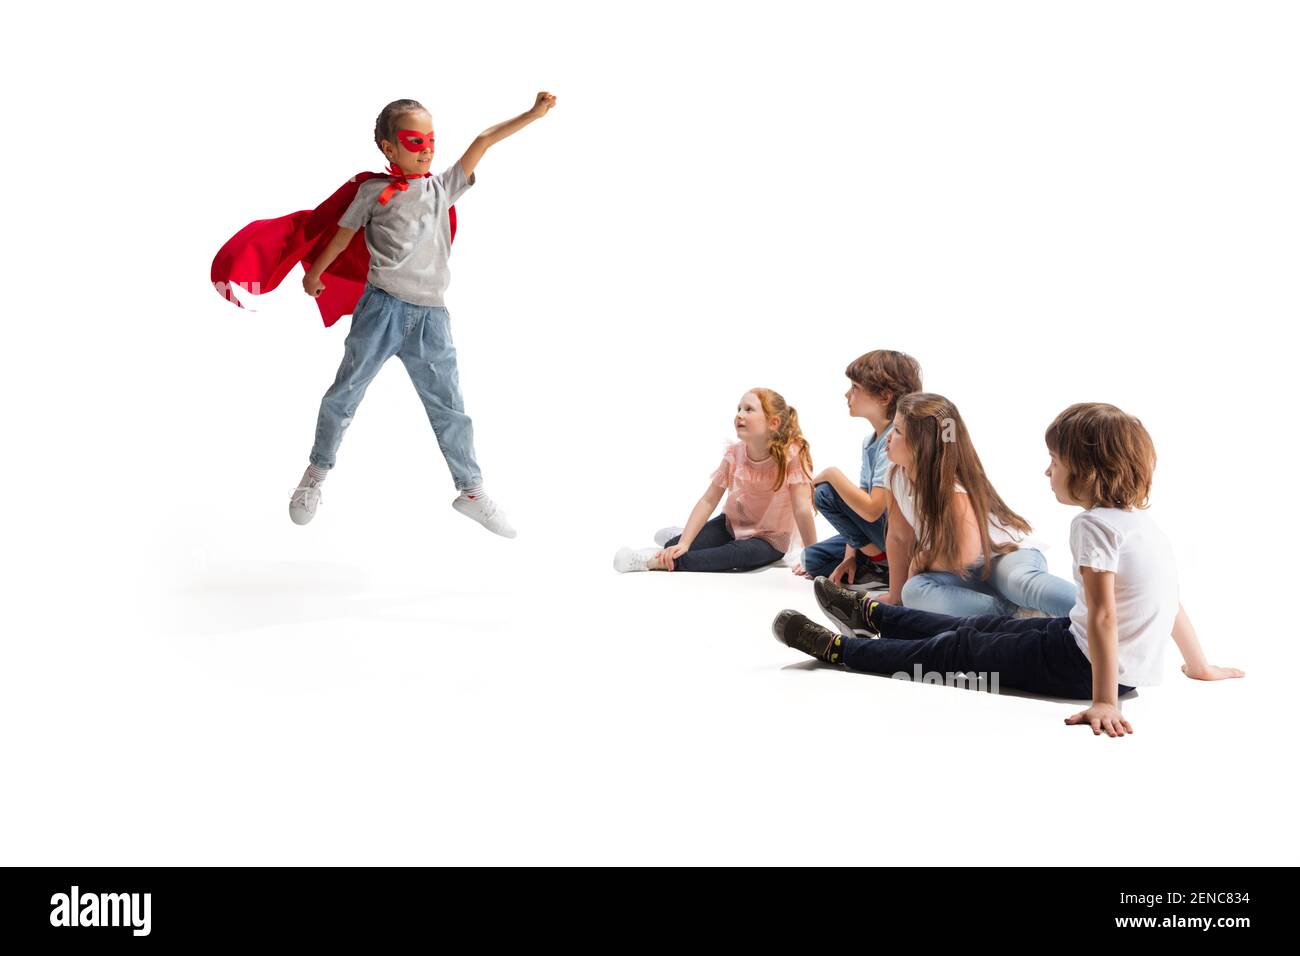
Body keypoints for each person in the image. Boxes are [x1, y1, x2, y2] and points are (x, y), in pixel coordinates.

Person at [287, 92, 558, 536]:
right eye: (414, 141)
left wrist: (533, 114)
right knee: (345, 394)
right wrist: (314, 272)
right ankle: (315, 474)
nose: (427, 149)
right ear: (388, 147)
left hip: (432, 317)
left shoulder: (441, 187)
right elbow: (340, 237)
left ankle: (470, 490)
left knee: (450, 407)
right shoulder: (372, 192)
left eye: (431, 140)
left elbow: (485, 140)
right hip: (381, 310)